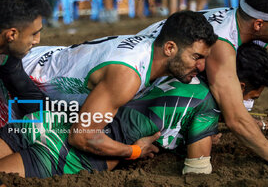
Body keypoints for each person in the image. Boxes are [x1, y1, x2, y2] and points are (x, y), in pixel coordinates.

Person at [0, 42, 268, 177]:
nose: (247, 107)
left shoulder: (174, 69)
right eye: (250, 97)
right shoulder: (206, 107)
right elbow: (197, 170)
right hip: (79, 154)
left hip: (52, 120)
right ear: (238, 86)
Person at [12, 11, 216, 160]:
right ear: (170, 48)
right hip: (19, 80)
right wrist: (134, 151)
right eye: (196, 57)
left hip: (38, 64)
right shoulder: (128, 75)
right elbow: (81, 137)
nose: (202, 66)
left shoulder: (151, 50)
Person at [137, 0, 268, 164]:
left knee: (214, 95)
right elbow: (235, 119)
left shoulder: (236, 21)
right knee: (204, 97)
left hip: (137, 81)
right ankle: (187, 159)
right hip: (130, 94)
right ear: (259, 24)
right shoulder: (221, 43)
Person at [0, 0, 51, 127]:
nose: (37, 41)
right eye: (34, 34)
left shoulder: (7, 56)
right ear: (12, 34)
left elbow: (27, 95)